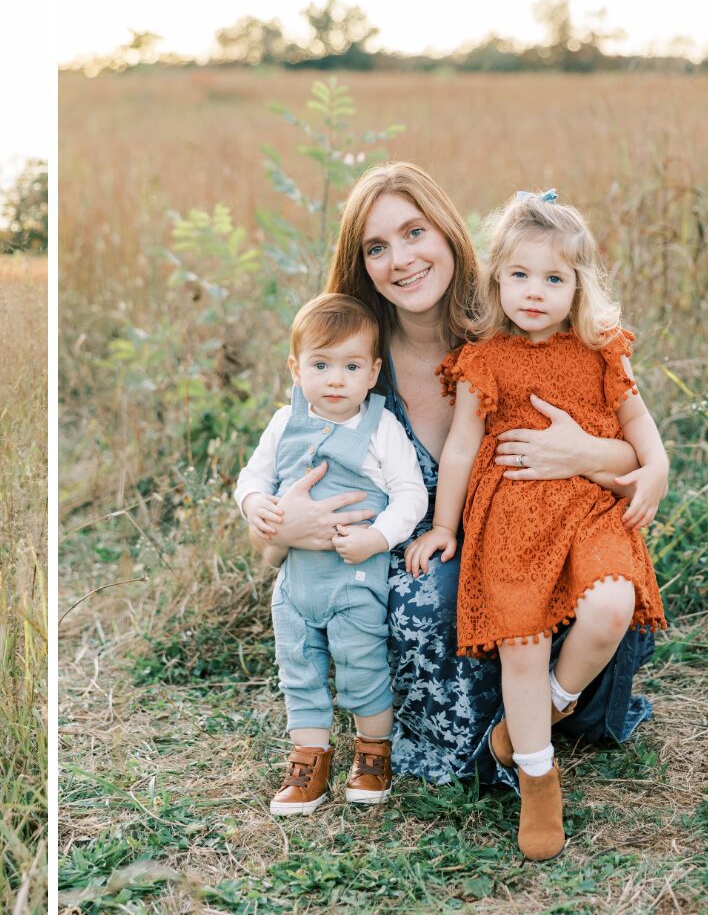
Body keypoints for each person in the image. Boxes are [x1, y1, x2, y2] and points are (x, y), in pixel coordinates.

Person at [252, 163, 662, 793]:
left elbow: (634, 461)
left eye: (415, 232)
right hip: (424, 566)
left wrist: (585, 453)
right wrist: (284, 529)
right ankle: (483, 739)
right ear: (361, 265)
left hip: (539, 541)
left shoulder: (518, 319)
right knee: (423, 594)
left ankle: (552, 711)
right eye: (377, 247)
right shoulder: (349, 363)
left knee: (587, 596)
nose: (401, 259)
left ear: (448, 232)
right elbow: (271, 535)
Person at [404, 191, 666, 858]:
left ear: (578, 287)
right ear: (497, 279)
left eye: (554, 278)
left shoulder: (601, 349)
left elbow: (638, 425)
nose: (535, 292)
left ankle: (547, 707)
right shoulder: (486, 357)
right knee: (522, 640)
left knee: (612, 605)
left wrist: (658, 467)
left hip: (590, 508)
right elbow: (460, 448)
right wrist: (445, 526)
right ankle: (538, 776)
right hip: (512, 514)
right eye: (520, 275)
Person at [238, 294, 426, 813]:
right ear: (296, 369)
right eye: (321, 365)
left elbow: (411, 494)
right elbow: (252, 477)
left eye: (351, 366)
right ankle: (309, 762)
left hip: (355, 579)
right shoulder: (283, 422)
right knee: (298, 670)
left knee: (362, 667)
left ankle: (372, 754)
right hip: (295, 584)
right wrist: (255, 503)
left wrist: (378, 537)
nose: (336, 380)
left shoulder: (380, 428)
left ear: (374, 373)